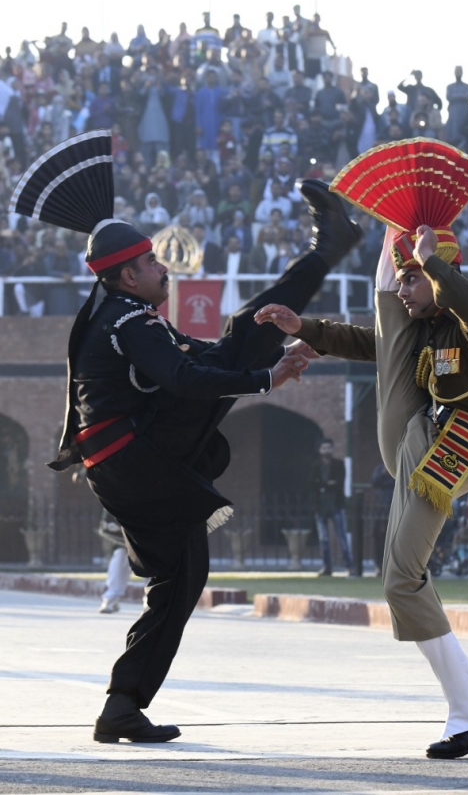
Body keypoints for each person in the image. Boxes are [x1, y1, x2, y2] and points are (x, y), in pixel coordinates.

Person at [9, 128, 361, 744]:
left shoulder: (127, 316)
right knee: (241, 343)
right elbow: (186, 376)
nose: (161, 265)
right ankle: (329, 248)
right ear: (123, 277)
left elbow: (201, 358)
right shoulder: (126, 321)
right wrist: (266, 376)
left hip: (126, 464)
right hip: (134, 458)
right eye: (149, 262)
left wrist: (256, 361)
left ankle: (121, 706)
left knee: (181, 576)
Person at [255, 138, 468, 760]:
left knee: (402, 578)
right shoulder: (424, 331)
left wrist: (432, 264)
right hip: (419, 441)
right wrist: (306, 331)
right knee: (398, 578)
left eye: (411, 279)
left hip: (455, 450)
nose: (405, 289)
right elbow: (374, 342)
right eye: (400, 278)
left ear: (437, 272)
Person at [310, 438, 354, 576]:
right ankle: (327, 567)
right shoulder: (316, 466)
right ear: (320, 450)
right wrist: (326, 483)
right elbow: (312, 483)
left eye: (328, 448)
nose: (326, 451)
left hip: (336, 505)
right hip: (321, 506)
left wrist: (323, 484)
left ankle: (349, 566)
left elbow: (339, 482)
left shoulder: (339, 465)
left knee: (341, 537)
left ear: (332, 449)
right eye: (323, 448)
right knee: (324, 538)